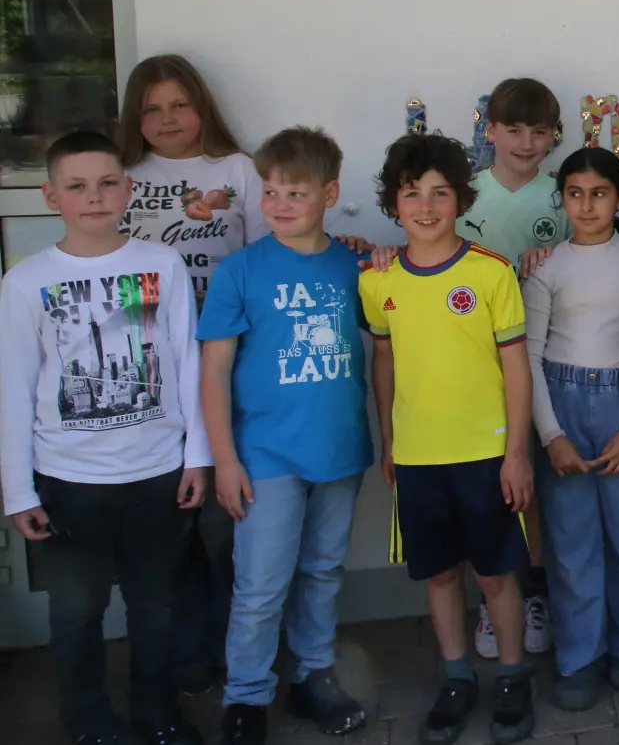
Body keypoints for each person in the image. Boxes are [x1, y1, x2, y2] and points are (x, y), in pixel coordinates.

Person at [0, 131, 210, 745]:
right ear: (51, 197)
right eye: (77, 186)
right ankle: (88, 722)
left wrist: (196, 456)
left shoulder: (162, 265)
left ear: (128, 190)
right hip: (68, 480)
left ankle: (155, 712)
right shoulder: (25, 282)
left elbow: (187, 362)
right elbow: (14, 387)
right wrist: (18, 490)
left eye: (106, 183)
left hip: (157, 472)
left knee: (156, 605)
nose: (94, 197)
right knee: (75, 612)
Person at [360, 133, 536, 745]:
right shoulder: (377, 280)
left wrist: (517, 453)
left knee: (495, 576)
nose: (427, 206)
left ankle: (512, 677)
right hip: (418, 457)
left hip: (486, 455)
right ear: (393, 203)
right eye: (412, 193)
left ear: (461, 198)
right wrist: (390, 441)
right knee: (439, 575)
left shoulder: (490, 272)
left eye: (440, 193)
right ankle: (457, 679)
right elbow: (384, 362)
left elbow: (517, 368)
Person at [198, 127, 371, 745]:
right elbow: (214, 370)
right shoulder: (240, 270)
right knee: (261, 583)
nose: (279, 205)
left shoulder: (355, 265)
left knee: (322, 570)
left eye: (295, 193)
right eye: (270, 192)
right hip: (265, 455)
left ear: (330, 194)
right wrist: (224, 459)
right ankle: (247, 695)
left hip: (339, 447)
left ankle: (313, 676)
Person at [118, 54, 268, 697]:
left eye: (179, 104)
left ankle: (242, 649)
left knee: (224, 521)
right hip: (147, 367)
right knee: (169, 519)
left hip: (227, 362)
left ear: (202, 105)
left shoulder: (238, 170)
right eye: (151, 108)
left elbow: (265, 259)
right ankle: (186, 653)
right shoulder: (120, 177)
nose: (167, 119)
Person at [525, 147, 619, 712]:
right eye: (575, 194)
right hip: (561, 403)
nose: (586, 205)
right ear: (562, 199)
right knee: (570, 540)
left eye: (599, 193)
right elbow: (529, 357)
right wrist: (550, 435)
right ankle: (580, 655)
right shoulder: (545, 267)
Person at [455, 77, 566, 662]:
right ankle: (493, 598)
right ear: (490, 131)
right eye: (514, 129)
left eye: (539, 131)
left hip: (544, 359)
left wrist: (558, 257)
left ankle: (537, 594)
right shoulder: (463, 196)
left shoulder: (563, 197)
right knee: (487, 486)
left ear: (553, 136)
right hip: (474, 362)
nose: (526, 143)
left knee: (536, 487)